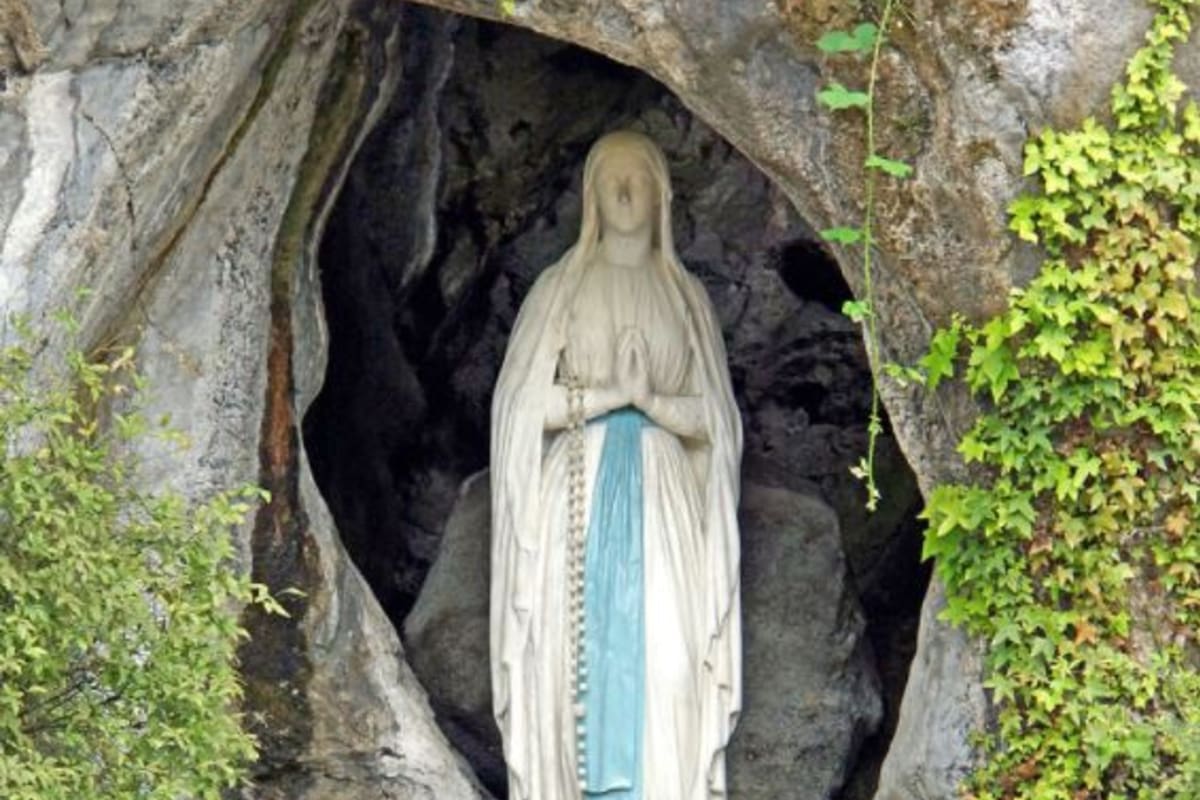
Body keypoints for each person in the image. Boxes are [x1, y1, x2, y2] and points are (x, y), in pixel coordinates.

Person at [490, 130, 742, 799]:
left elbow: (716, 425)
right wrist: (607, 397)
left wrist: (652, 401)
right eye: (612, 181)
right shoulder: (560, 289)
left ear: (663, 195)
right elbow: (518, 406)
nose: (626, 192)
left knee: (670, 664)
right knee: (570, 662)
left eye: (638, 180)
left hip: (663, 500)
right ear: (591, 196)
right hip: (574, 487)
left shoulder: (686, 299)